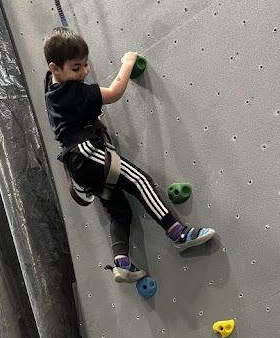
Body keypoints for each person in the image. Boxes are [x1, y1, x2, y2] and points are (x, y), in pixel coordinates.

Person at [43, 27, 216, 283]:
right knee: (140, 181)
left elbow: (63, 66)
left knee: (119, 211)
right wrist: (127, 63)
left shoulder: (51, 86)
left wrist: (71, 61)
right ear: (55, 68)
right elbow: (114, 93)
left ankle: (122, 262)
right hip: (88, 152)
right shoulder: (75, 92)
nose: (85, 72)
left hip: (77, 165)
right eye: (77, 68)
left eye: (86, 64)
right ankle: (177, 233)